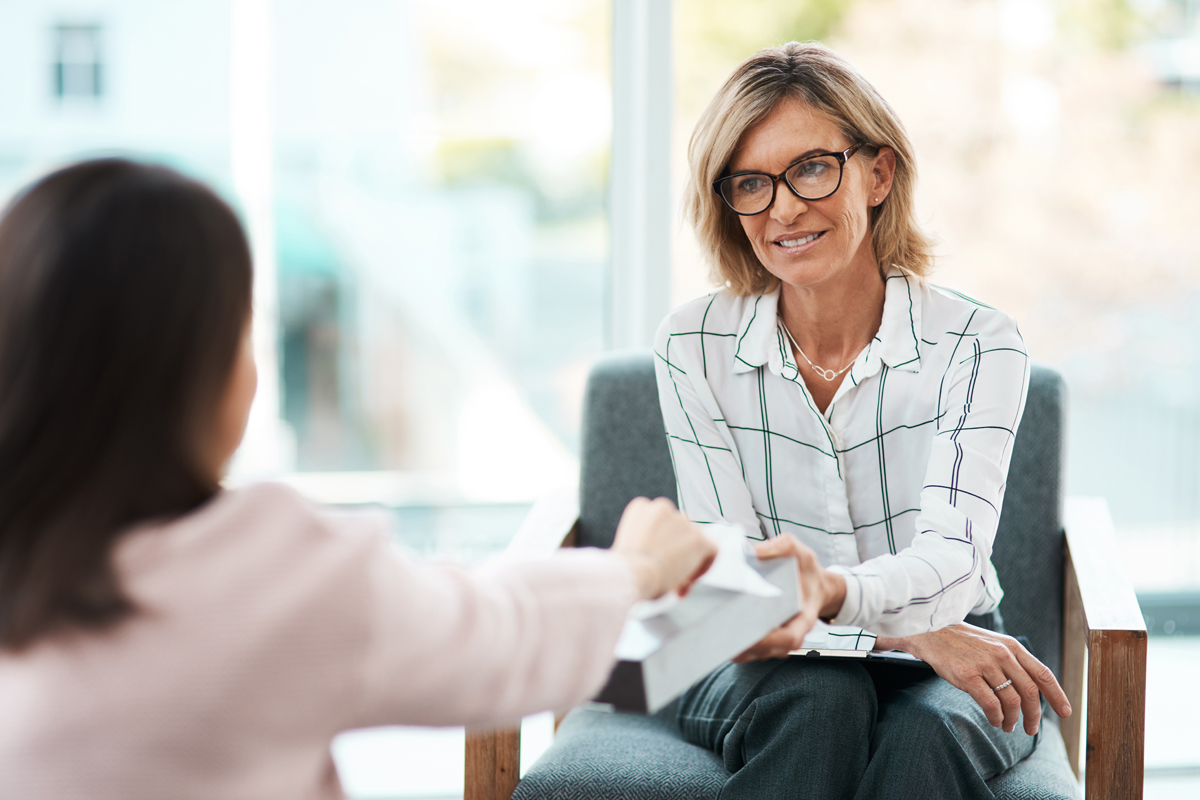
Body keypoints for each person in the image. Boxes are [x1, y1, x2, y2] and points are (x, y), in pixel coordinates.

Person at [0, 159, 716, 799]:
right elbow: (497, 636)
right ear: (194, 370)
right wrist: (635, 568)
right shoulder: (269, 572)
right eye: (245, 331)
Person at [655, 42, 1072, 798]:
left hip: (955, 631)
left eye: (811, 168)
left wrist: (844, 604)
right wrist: (900, 630)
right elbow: (736, 580)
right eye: (750, 183)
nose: (782, 208)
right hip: (745, 648)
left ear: (878, 173)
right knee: (820, 698)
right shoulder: (693, 344)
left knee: (925, 735)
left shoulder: (979, 342)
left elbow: (953, 557)